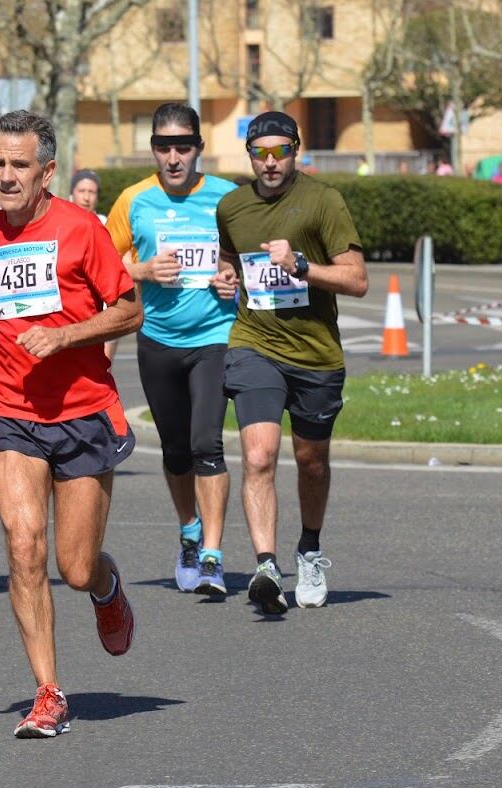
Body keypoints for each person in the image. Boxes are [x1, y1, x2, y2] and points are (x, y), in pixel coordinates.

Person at [0, 110, 142, 738]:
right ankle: (48, 692)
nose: (5, 176)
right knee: (23, 546)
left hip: (83, 414)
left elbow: (129, 310)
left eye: (19, 165)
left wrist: (67, 337)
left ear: (46, 171)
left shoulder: (82, 231)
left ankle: (107, 589)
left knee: (74, 567)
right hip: (11, 413)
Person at [212, 110, 368, 615]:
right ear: (250, 156)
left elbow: (357, 279)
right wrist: (225, 278)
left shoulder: (323, 202)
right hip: (255, 342)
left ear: (296, 152)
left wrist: (301, 265)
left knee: (310, 461)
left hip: (316, 353)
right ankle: (265, 566)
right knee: (258, 456)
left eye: (281, 151)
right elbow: (229, 261)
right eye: (261, 153)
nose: (271, 161)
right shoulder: (232, 207)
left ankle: (311, 549)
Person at [106, 103, 237, 596]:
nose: (174, 156)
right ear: (154, 150)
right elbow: (96, 264)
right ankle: (189, 529)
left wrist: (235, 278)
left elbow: (249, 262)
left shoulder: (227, 198)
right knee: (177, 450)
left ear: (199, 149)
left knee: (207, 443)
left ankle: (213, 556)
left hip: (215, 338)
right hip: (157, 339)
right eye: (164, 146)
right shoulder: (134, 200)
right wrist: (142, 271)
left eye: (184, 146)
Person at [70, 169, 118, 366]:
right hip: (73, 309)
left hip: (106, 309)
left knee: (102, 368)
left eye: (92, 192)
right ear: (72, 193)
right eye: (82, 191)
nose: (87, 197)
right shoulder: (62, 223)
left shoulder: (107, 224)